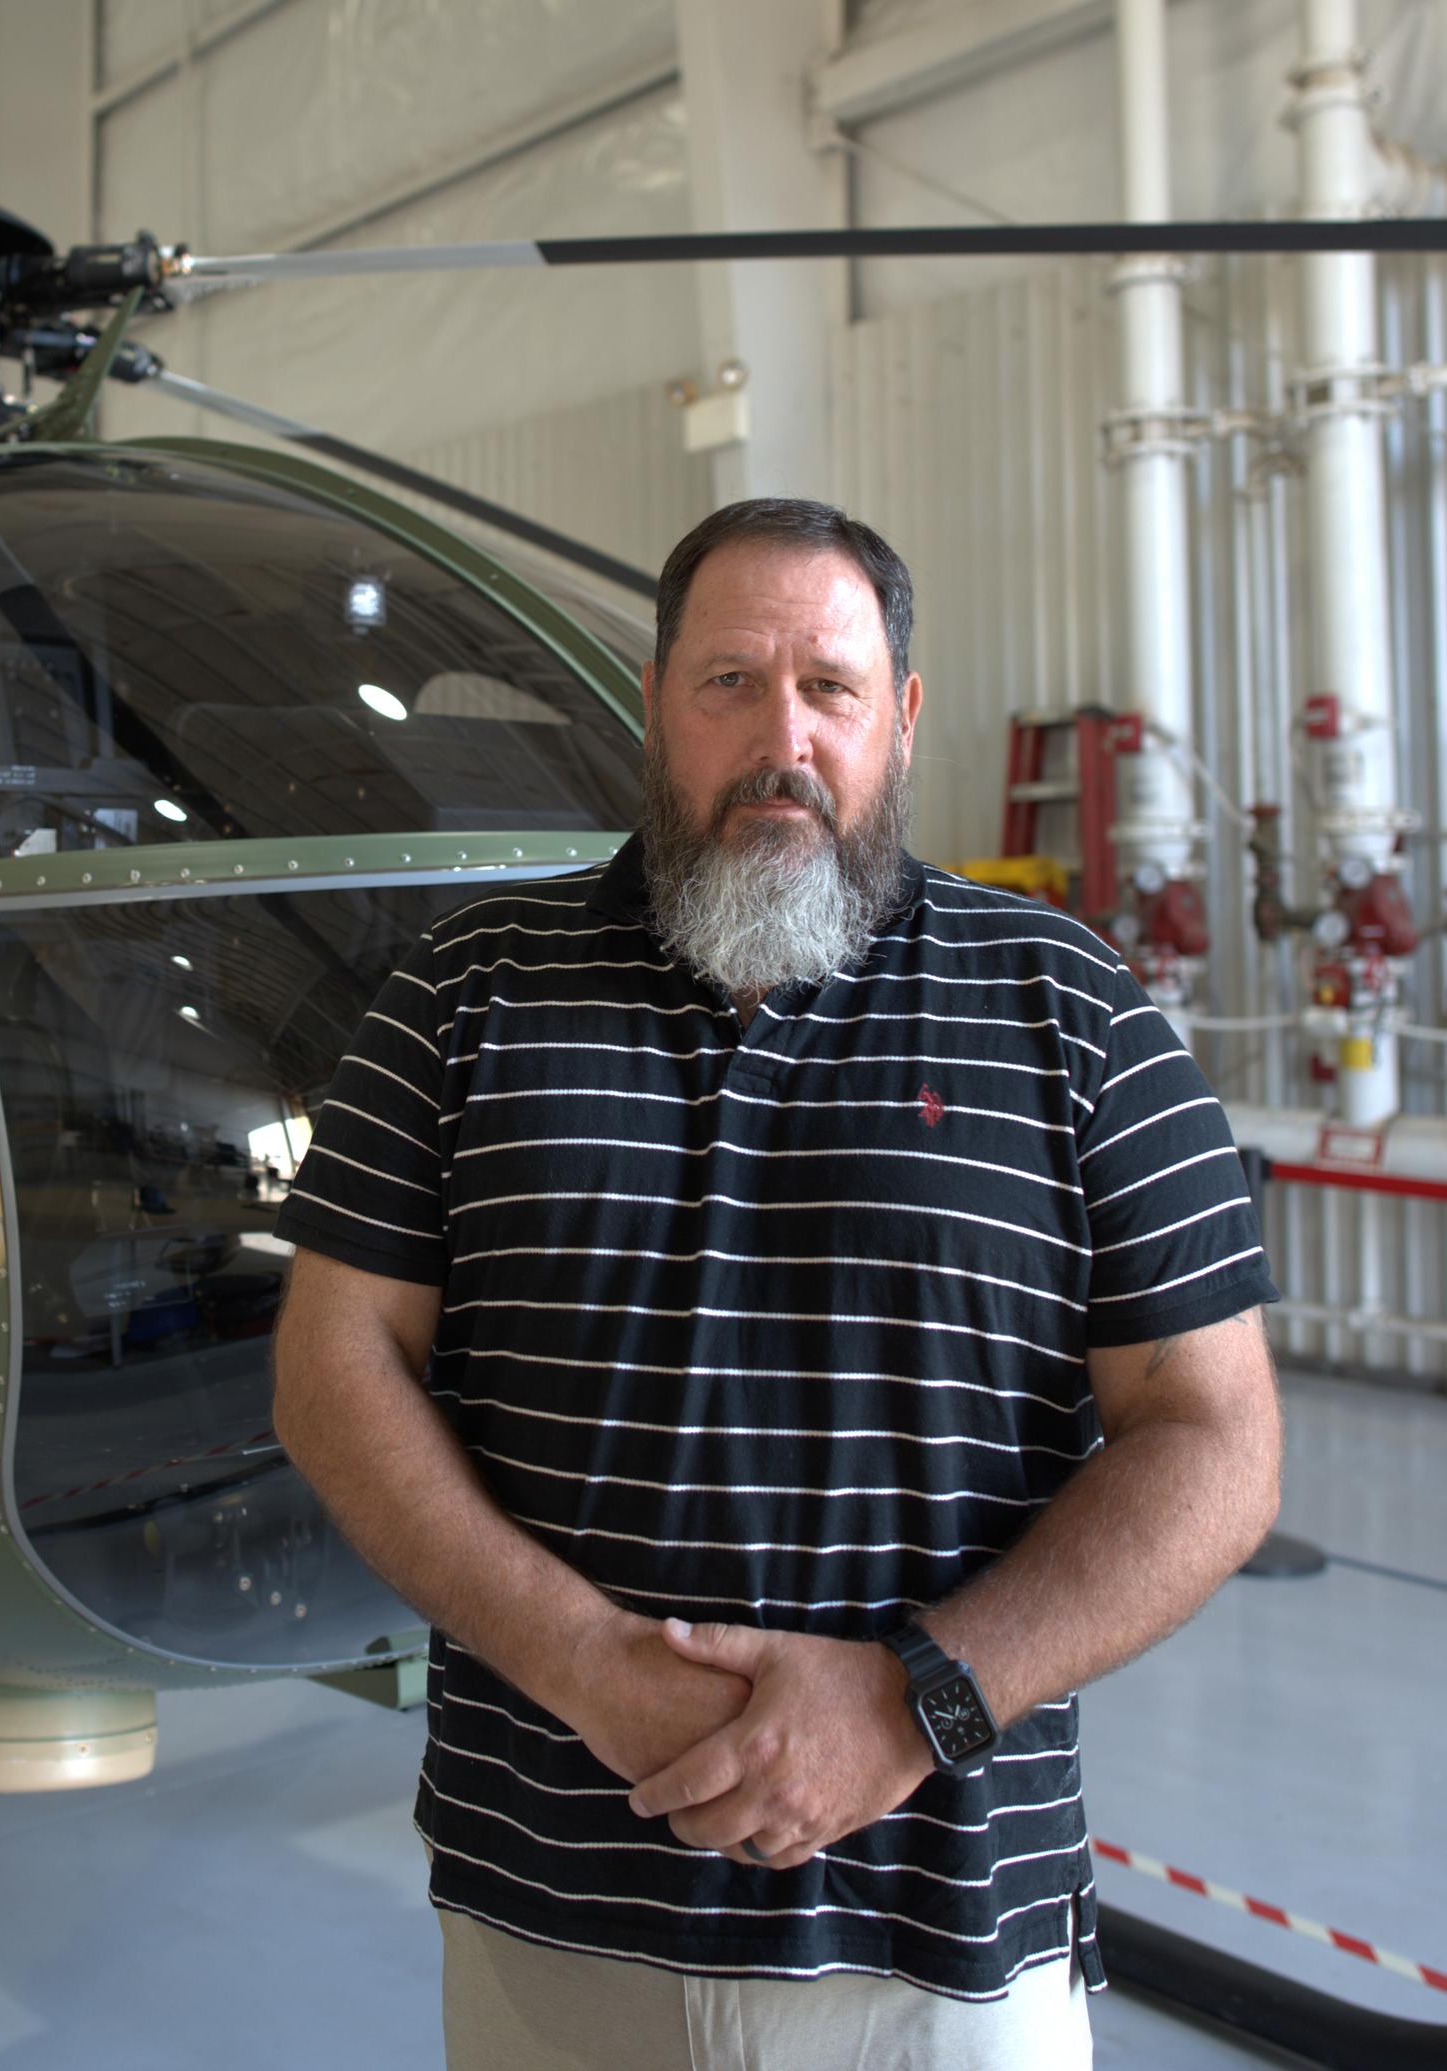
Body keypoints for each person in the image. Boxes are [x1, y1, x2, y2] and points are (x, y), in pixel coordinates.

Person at [271, 498, 1280, 2069]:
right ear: (656, 705)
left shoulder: (1069, 1011)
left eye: (830, 685)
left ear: (903, 716)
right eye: (728, 683)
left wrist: (914, 1703)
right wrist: (577, 1661)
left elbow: (1217, 1438)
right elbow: (334, 1366)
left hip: (942, 1952)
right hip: (555, 1923)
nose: (783, 736)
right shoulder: (466, 991)